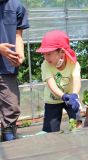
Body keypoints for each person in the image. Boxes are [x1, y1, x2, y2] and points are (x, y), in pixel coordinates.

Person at [36, 30, 82, 132]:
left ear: (61, 52)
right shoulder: (45, 65)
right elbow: (52, 85)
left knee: (76, 123)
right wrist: (62, 96)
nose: (46, 57)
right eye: (44, 54)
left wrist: (74, 95)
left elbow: (77, 80)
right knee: (51, 131)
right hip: (53, 99)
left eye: (49, 54)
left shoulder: (73, 63)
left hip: (70, 98)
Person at [0, 0, 29, 141]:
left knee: (12, 107)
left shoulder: (17, 7)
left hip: (7, 67)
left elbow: (18, 35)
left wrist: (20, 54)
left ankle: (8, 135)